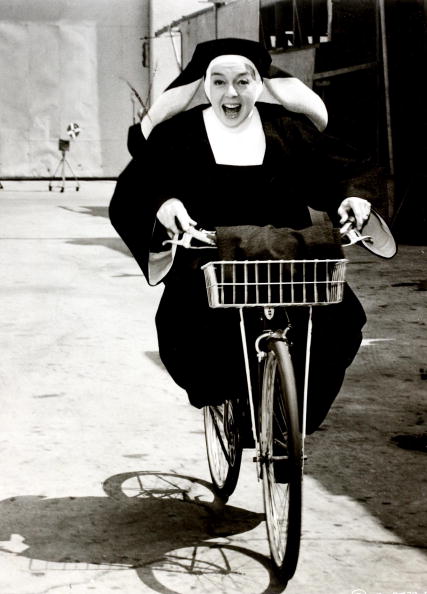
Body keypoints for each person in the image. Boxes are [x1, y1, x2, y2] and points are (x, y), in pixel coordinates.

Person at [109, 38, 372, 434]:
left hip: (288, 255)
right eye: (218, 82)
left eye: (242, 82)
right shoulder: (179, 134)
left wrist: (352, 196)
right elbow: (137, 186)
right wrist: (163, 204)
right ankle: (233, 406)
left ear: (259, 85)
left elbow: (340, 169)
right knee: (190, 330)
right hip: (211, 258)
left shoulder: (287, 128)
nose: (230, 94)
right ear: (204, 86)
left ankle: (289, 421)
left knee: (340, 323)